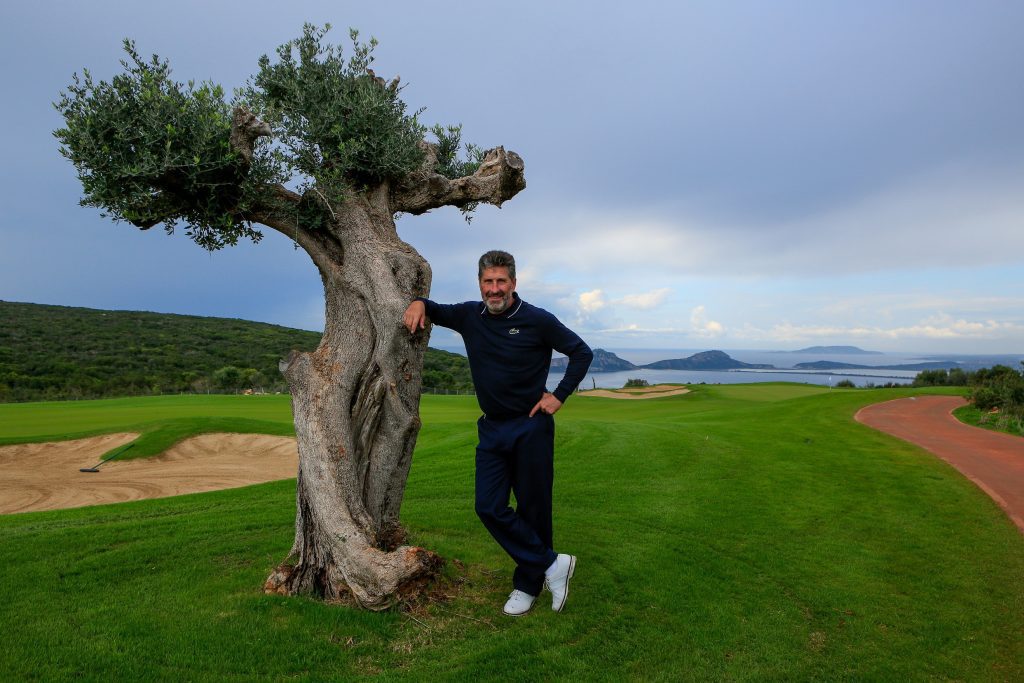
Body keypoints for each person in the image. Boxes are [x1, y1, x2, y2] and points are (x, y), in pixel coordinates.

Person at [403, 249, 593, 616]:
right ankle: (553, 565)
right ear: (480, 284)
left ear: (514, 283)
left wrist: (559, 396)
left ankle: (527, 585)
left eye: (501, 281)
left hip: (531, 426)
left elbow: (580, 352)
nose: (494, 289)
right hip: (492, 428)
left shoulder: (537, 319)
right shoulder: (469, 315)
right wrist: (417, 302)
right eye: (488, 282)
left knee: (534, 508)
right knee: (488, 506)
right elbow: (436, 308)